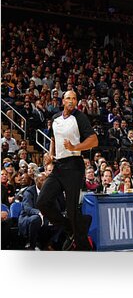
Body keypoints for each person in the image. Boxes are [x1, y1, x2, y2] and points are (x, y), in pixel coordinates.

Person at [36, 90, 97, 251]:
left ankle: (84, 247)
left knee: (71, 211)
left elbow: (94, 140)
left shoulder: (80, 117)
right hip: (59, 166)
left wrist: (75, 147)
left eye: (74, 98)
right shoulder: (55, 118)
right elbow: (54, 138)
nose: (71, 101)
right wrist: (50, 154)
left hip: (75, 166)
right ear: (62, 101)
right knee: (42, 201)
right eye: (68, 98)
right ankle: (70, 229)